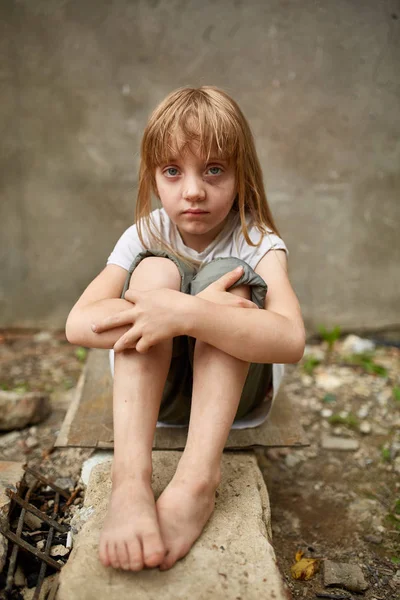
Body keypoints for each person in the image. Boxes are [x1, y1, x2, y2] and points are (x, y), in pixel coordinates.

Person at [65, 86, 305, 573]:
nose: (193, 190)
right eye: (173, 171)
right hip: (161, 396)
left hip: (234, 402)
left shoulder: (259, 241)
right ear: (154, 177)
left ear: (242, 175)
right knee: (155, 273)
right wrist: (160, 308)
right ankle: (130, 482)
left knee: (228, 283)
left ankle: (197, 481)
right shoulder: (146, 234)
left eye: (213, 169)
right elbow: (77, 324)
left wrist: (191, 315)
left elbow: (291, 340)